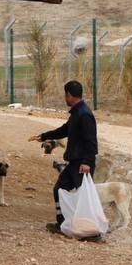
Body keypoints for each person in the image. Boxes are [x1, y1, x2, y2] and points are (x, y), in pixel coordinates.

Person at [29, 80, 99, 236]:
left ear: (70, 95)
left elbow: (91, 142)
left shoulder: (85, 115)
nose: (64, 98)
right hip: (74, 162)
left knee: (83, 196)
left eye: (65, 95)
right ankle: (62, 224)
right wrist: (44, 136)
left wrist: (87, 162)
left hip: (82, 163)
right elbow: (64, 130)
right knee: (59, 189)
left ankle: (92, 231)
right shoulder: (76, 113)